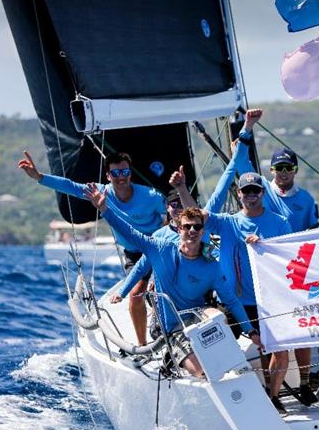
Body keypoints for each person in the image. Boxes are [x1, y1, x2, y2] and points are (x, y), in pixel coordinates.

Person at [83, 185, 255, 378]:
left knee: (218, 317)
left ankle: (228, 361)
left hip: (196, 315)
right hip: (171, 325)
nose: (192, 230)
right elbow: (131, 236)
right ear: (178, 228)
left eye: (197, 227)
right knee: (200, 371)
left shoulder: (211, 264)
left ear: (202, 230)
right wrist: (105, 210)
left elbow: (231, 301)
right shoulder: (160, 247)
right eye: (187, 226)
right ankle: (175, 359)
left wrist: (251, 330)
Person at [18, 150, 166, 346]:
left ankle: (165, 327)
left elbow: (170, 220)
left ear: (130, 173)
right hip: (133, 253)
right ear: (108, 176)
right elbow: (70, 186)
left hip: (157, 249)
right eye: (115, 173)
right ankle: (142, 345)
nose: (120, 177)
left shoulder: (151, 196)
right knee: (136, 294)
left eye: (124, 172)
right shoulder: (100, 192)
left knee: (162, 289)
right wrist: (39, 177)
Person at [232, 108, 319, 404]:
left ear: (295, 170)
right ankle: (274, 392)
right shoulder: (262, 192)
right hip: (267, 276)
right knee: (269, 341)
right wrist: (247, 128)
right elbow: (241, 164)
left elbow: (314, 235)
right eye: (278, 169)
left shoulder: (306, 200)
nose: (283, 173)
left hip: (297, 273)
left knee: (301, 334)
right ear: (271, 172)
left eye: (288, 168)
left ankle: (306, 384)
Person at [200, 171, 294, 413]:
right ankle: (222, 398)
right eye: (246, 191)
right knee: (215, 349)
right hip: (234, 302)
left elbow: (290, 257)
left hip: (268, 300)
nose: (251, 195)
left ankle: (272, 396)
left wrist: (264, 244)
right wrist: (181, 189)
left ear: (262, 193)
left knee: (279, 352)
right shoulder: (228, 222)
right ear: (238, 194)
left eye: (256, 190)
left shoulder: (280, 222)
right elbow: (199, 216)